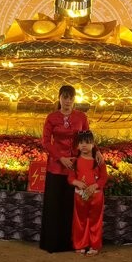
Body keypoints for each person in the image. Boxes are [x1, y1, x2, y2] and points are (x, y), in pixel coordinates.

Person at [39, 85, 91, 253]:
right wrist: (60, 158)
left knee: (71, 206)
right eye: (64, 97)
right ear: (59, 98)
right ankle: (52, 243)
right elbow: (46, 141)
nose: (67, 101)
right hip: (55, 167)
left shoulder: (81, 117)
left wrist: (79, 159)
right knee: (54, 206)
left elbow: (86, 139)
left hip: (74, 168)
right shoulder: (51, 117)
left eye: (70, 98)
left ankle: (71, 243)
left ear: (74, 100)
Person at [68, 130, 107, 255]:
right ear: (77, 146)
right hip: (80, 196)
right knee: (80, 221)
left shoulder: (99, 161)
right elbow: (70, 178)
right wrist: (77, 183)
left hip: (96, 196)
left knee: (95, 221)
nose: (84, 145)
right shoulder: (75, 161)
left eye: (87, 142)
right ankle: (80, 244)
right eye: (81, 143)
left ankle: (94, 246)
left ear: (93, 144)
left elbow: (104, 178)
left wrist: (95, 186)